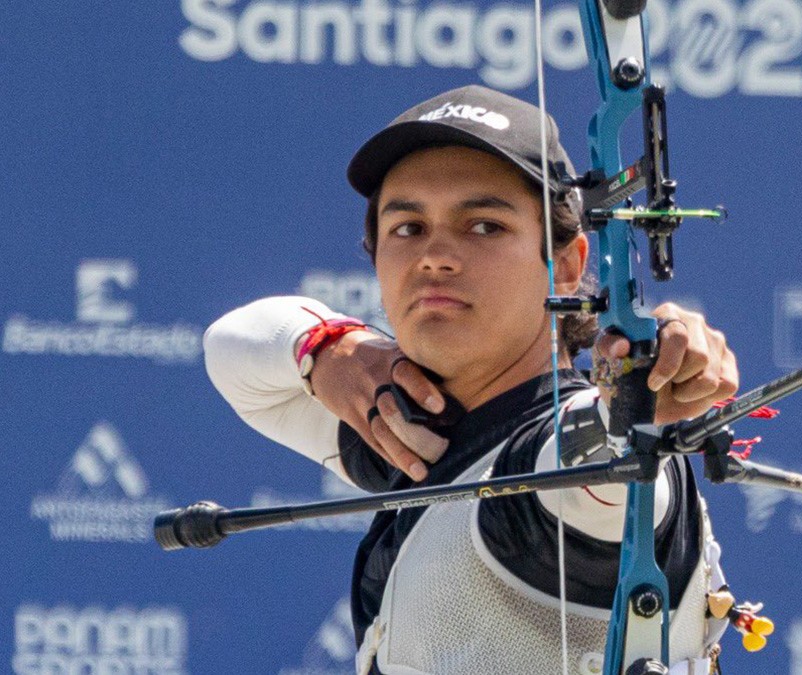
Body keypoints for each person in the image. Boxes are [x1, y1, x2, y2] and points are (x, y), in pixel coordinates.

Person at [203, 85, 739, 674]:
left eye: (483, 226)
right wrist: (329, 348)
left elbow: (592, 468)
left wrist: (635, 392)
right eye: (407, 227)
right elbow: (231, 349)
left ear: (565, 264)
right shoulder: (407, 429)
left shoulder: (548, 461)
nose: (435, 255)